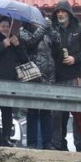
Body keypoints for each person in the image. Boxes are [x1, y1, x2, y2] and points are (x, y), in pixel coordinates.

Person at [49, 1, 81, 151]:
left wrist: (75, 58)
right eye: (58, 12)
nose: (60, 14)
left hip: (75, 75)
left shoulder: (80, 29)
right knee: (57, 113)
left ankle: (80, 144)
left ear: (69, 13)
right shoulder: (53, 30)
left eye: (63, 12)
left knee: (77, 111)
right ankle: (58, 143)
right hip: (57, 76)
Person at [19, 16, 56, 149]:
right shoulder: (23, 31)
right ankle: (32, 143)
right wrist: (43, 27)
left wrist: (50, 28)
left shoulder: (46, 31)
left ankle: (47, 142)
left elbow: (57, 42)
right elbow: (31, 42)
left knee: (47, 111)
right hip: (33, 76)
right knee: (33, 111)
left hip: (49, 75)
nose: (37, 22)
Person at [0, 16, 23, 146]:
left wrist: (17, 45)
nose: (6, 29)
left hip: (10, 80)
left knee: (7, 111)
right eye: (3, 26)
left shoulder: (13, 39)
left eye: (7, 26)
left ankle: (6, 137)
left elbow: (24, 59)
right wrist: (2, 45)